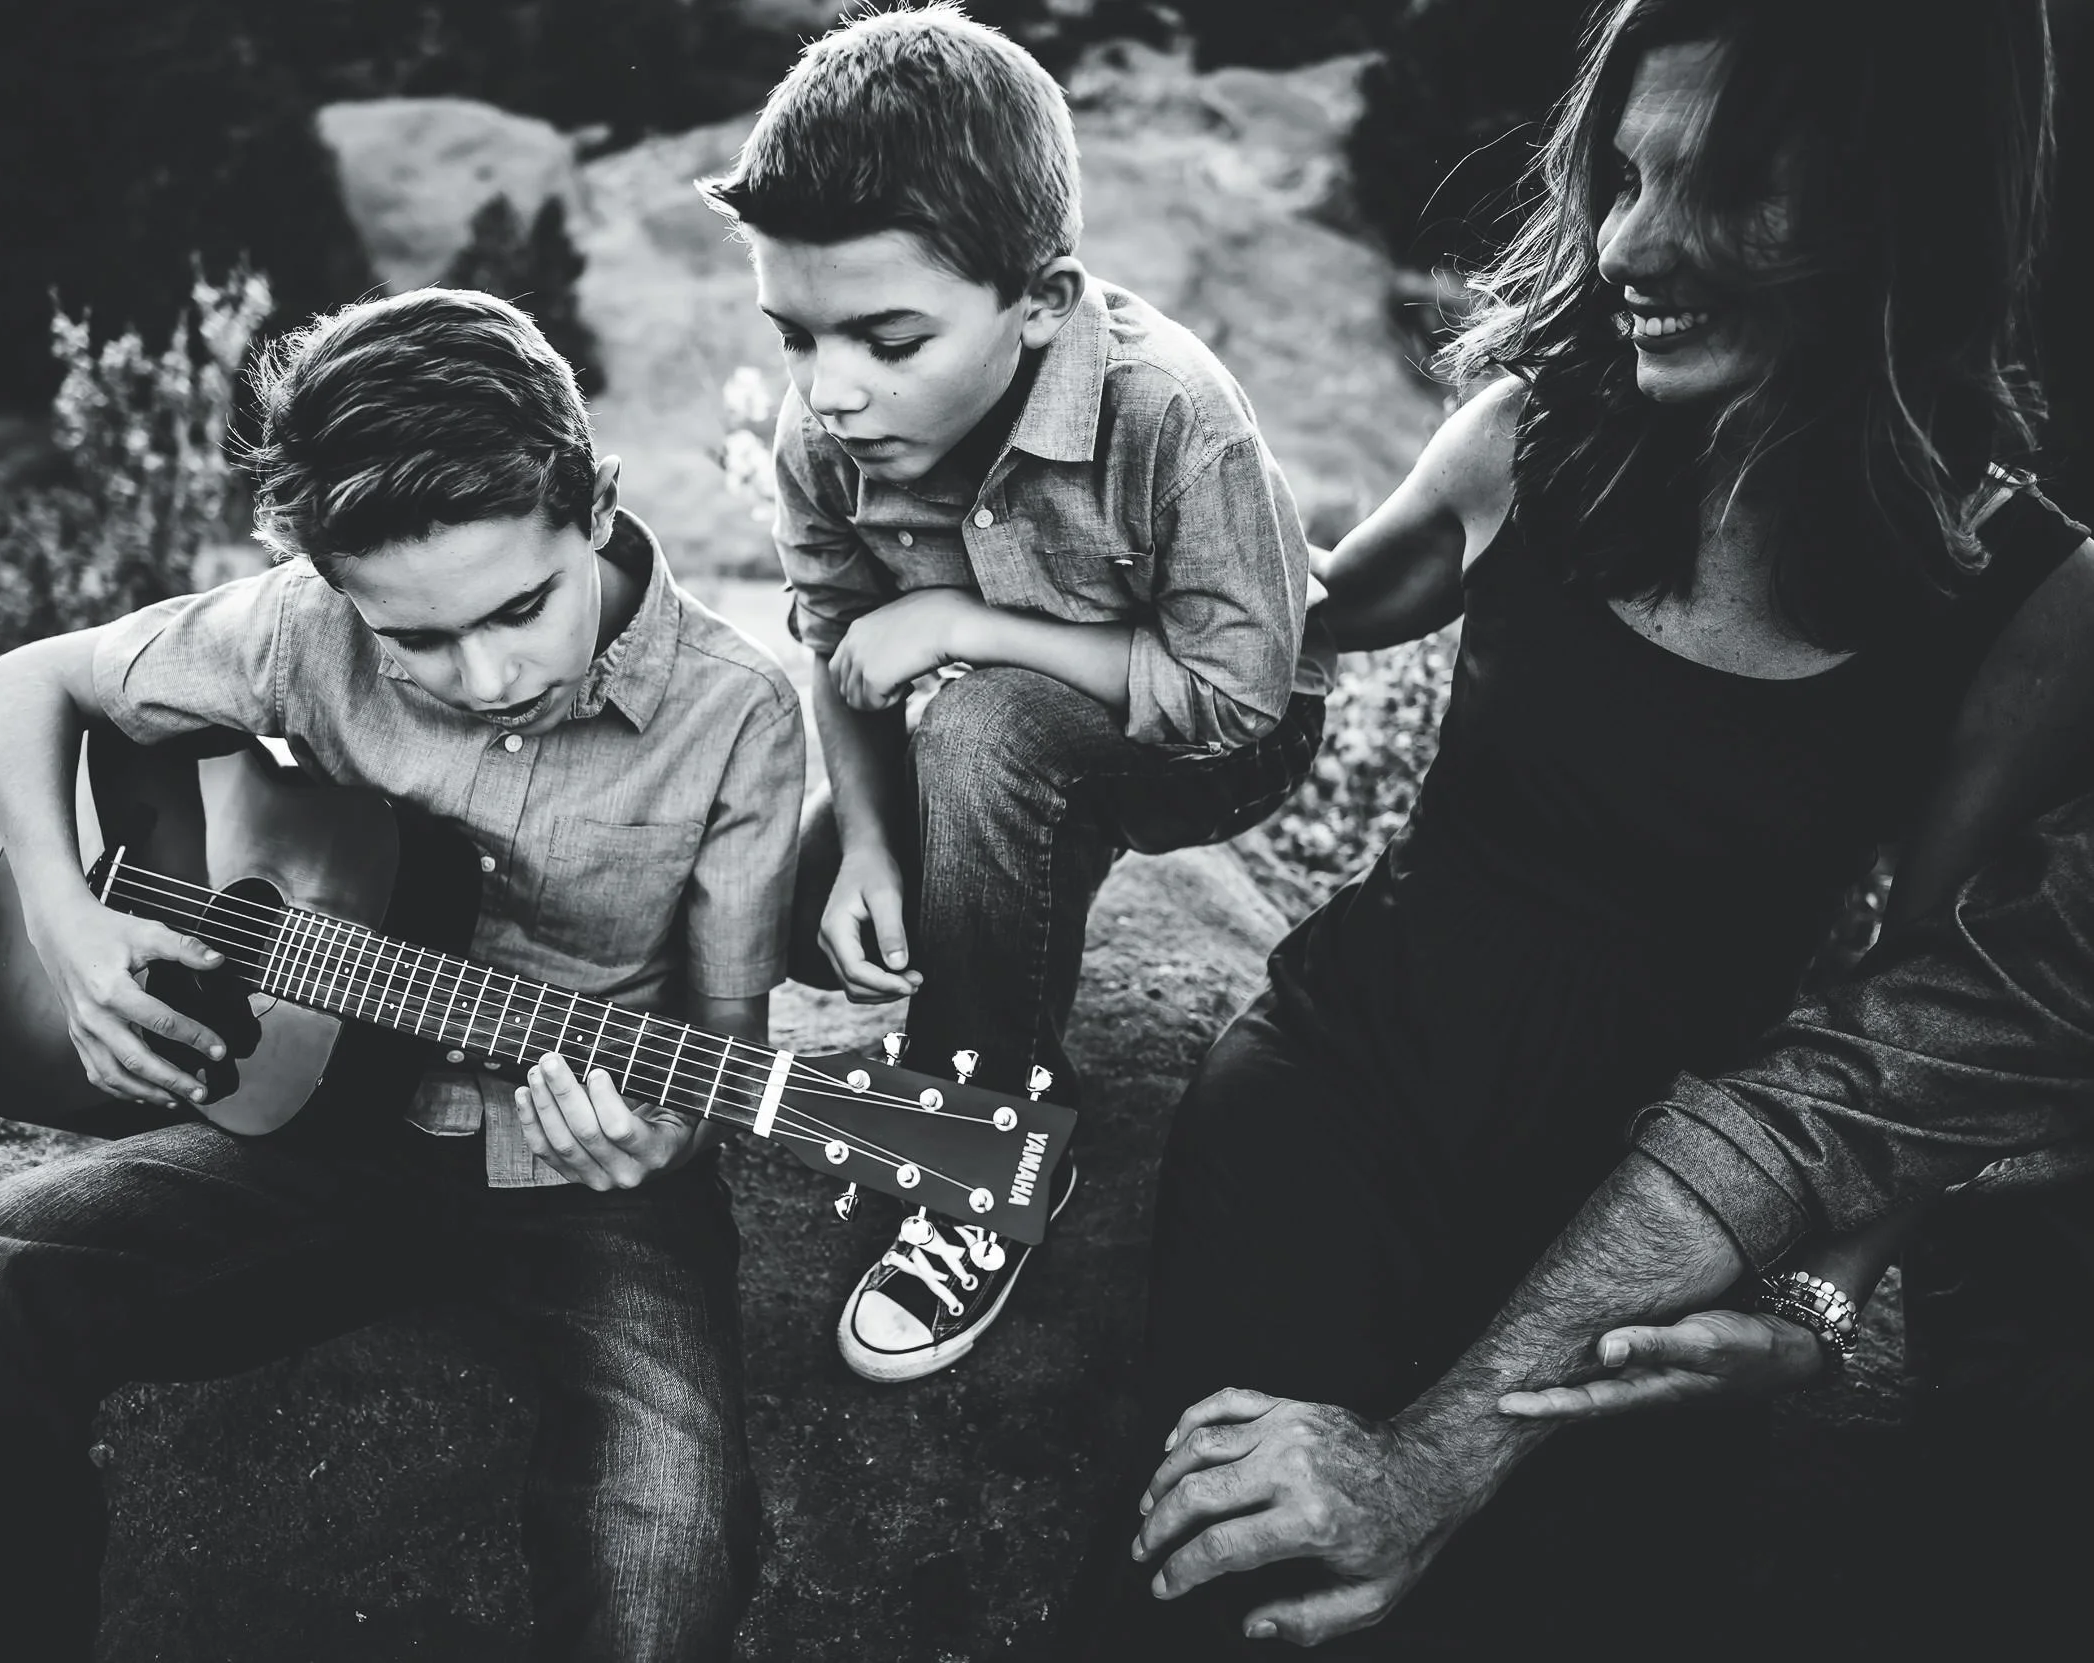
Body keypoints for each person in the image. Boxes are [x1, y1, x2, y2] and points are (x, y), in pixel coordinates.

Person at [1068, 0, 2094, 1650]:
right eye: (1617, 173)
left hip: (1663, 1208)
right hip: (1341, 1094)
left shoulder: (2027, 590)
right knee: (1224, 1584)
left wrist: (1818, 1300)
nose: (1631, 243)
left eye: (1728, 181)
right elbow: (1289, 626)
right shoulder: (1525, 434)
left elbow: (1935, 1007)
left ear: (1900, 200)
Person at [0, 288, 806, 1661]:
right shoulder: (299, 628)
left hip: (596, 1189)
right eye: (415, 640)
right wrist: (68, 917)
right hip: (326, 1136)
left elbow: (723, 1030)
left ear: (594, 502)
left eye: (520, 607)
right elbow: (30, 680)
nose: (482, 671)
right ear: (340, 588)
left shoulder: (738, 710)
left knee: (671, 1530)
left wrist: (668, 1119)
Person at [696, 2, 1333, 1384]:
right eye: (798, 338)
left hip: (1218, 734)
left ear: (1040, 299)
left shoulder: (1172, 410)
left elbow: (1238, 695)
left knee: (983, 729)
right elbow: (844, 642)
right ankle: (967, 870)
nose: (834, 392)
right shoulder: (829, 439)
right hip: (991, 714)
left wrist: (962, 622)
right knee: (811, 918)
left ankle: (987, 1134)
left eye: (885, 337)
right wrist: (867, 840)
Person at [1127, 785, 2094, 1650]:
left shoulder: (1988, 603)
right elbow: (1927, 1042)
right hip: (1383, 1055)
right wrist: (1426, 1459)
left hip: (1673, 1127)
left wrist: (1824, 1295)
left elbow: (1912, 1041)